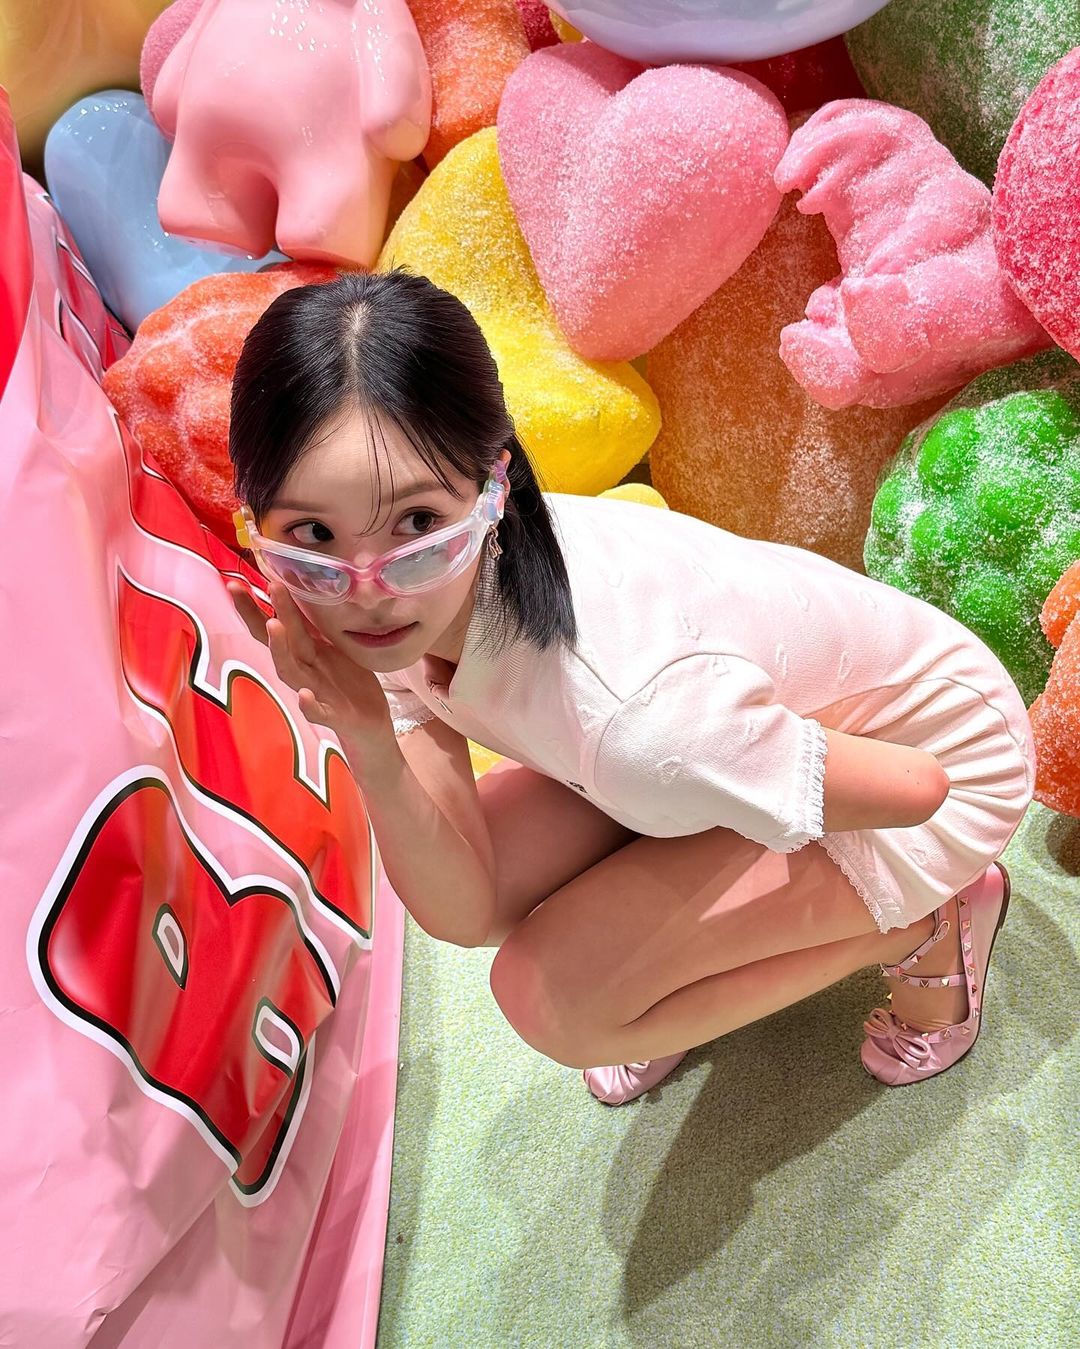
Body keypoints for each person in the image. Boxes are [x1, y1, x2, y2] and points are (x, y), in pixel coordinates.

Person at [227, 267, 1035, 1106]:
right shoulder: (421, 596)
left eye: (419, 523)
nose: (367, 590)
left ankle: (926, 925)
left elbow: (918, 786)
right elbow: (462, 910)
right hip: (692, 742)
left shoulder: (633, 708)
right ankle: (685, 917)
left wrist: (720, 785)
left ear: (494, 486)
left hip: (941, 765)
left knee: (557, 998)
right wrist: (369, 738)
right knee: (497, 882)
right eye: (313, 533)